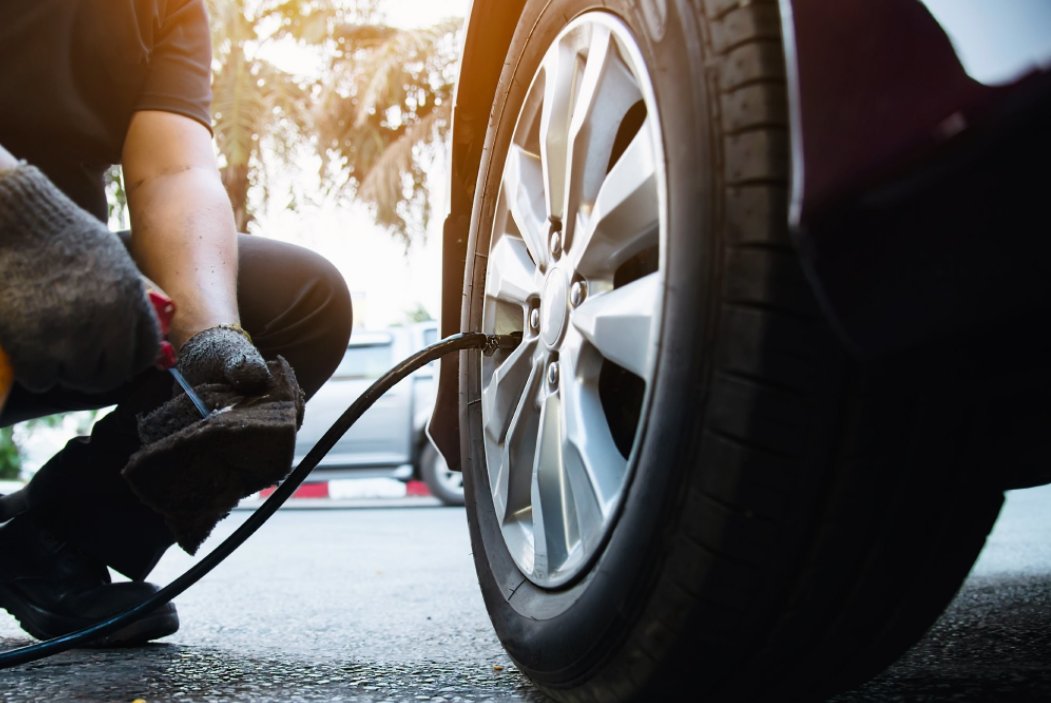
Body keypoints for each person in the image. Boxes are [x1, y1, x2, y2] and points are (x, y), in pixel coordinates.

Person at [0, 0, 352, 645]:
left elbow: (173, 169)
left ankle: (46, 538)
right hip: (25, 252)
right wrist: (15, 216)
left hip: (59, 294)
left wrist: (209, 338)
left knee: (301, 302)